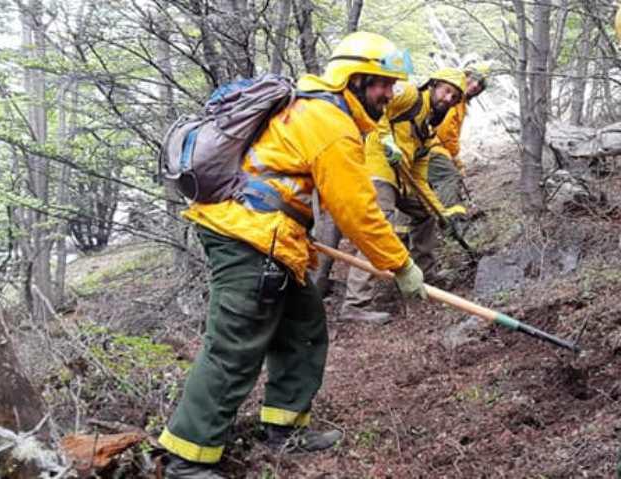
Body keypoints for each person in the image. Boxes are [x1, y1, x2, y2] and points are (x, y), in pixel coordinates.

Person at [159, 32, 427, 479]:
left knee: (303, 325)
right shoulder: (329, 122)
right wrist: (401, 264)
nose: (388, 93)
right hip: (249, 238)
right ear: (353, 79)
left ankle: (285, 428)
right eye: (380, 82)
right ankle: (186, 458)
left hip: (273, 238)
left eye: (391, 84)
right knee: (234, 346)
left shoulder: (318, 109)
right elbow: (357, 210)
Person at [340, 68, 465, 325]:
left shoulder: (427, 132)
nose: (448, 98)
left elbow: (419, 179)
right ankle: (355, 304)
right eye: (446, 90)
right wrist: (387, 141)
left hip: (400, 181)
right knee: (377, 229)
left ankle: (424, 275)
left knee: (426, 215)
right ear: (433, 85)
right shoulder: (409, 94)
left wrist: (440, 211)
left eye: (454, 97)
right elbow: (380, 110)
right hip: (377, 171)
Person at [426, 62, 490, 213]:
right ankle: (452, 220)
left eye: (479, 87)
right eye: (473, 80)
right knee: (449, 176)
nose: (474, 86)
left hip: (431, 146)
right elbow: (445, 132)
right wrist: (454, 157)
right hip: (433, 147)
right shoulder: (452, 100)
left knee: (421, 189)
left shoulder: (460, 103)